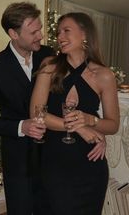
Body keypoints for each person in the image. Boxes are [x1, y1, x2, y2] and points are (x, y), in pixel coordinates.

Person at [30, 12, 120, 215]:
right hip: (54, 162)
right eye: (58, 32)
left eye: (66, 31)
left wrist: (90, 121)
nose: (60, 37)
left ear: (85, 34)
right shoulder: (50, 66)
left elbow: (113, 125)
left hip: (89, 165)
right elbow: (37, 113)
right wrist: (80, 129)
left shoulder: (104, 76)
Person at [0, 2, 54, 215]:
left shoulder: (51, 55)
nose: (41, 35)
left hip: (53, 157)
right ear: (13, 34)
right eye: (34, 31)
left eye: (40, 28)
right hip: (19, 164)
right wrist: (21, 127)